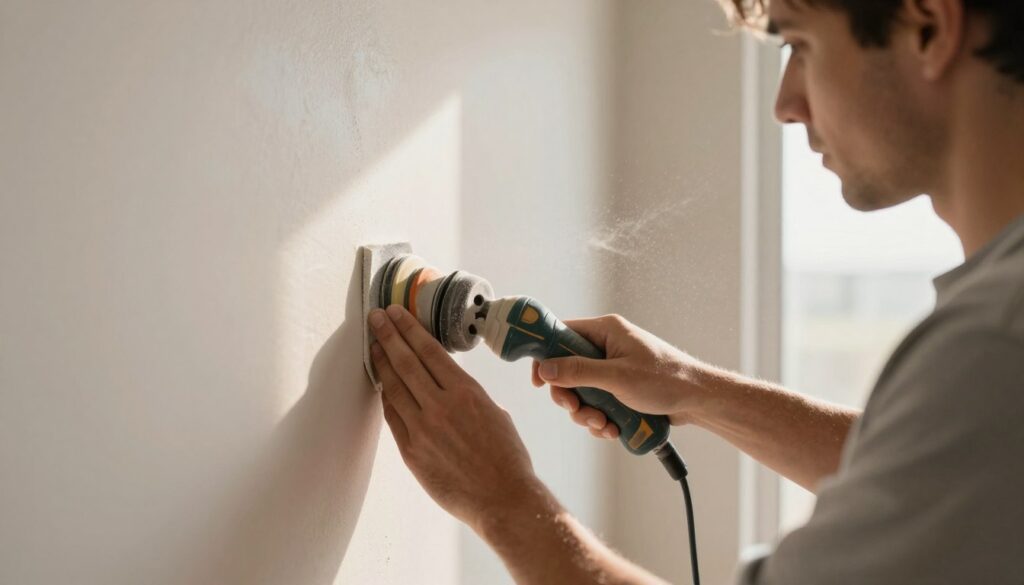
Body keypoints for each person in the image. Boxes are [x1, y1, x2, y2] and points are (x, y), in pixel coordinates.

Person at [365, 0, 1024, 582]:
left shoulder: (990, 348)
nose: (784, 104)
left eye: (799, 43)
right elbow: (930, 473)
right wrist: (694, 389)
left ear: (930, 27)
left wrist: (505, 502)